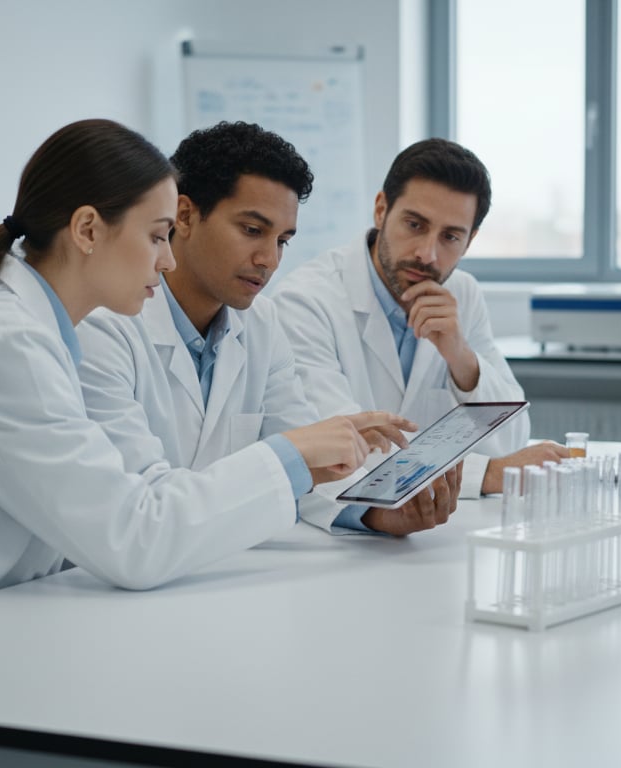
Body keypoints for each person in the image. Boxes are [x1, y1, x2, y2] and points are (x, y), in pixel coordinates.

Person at [0, 119, 394, 634]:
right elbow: (135, 537)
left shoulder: (36, 332)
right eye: (156, 236)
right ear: (87, 230)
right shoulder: (7, 345)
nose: (166, 260)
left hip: (6, 619)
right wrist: (288, 456)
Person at [76, 121, 459, 536]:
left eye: (282, 240)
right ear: (184, 216)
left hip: (217, 562)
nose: (269, 260)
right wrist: (293, 450)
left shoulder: (261, 323)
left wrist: (375, 513)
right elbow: (140, 505)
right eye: (252, 231)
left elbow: (306, 469)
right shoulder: (104, 328)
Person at [271, 138, 567, 511]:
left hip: (442, 528)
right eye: (415, 225)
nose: (427, 254)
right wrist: (489, 474)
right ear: (381, 210)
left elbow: (511, 437)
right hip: (341, 532)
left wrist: (461, 358)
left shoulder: (462, 294)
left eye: (450, 237)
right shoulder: (305, 302)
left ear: (470, 241)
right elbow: (336, 449)